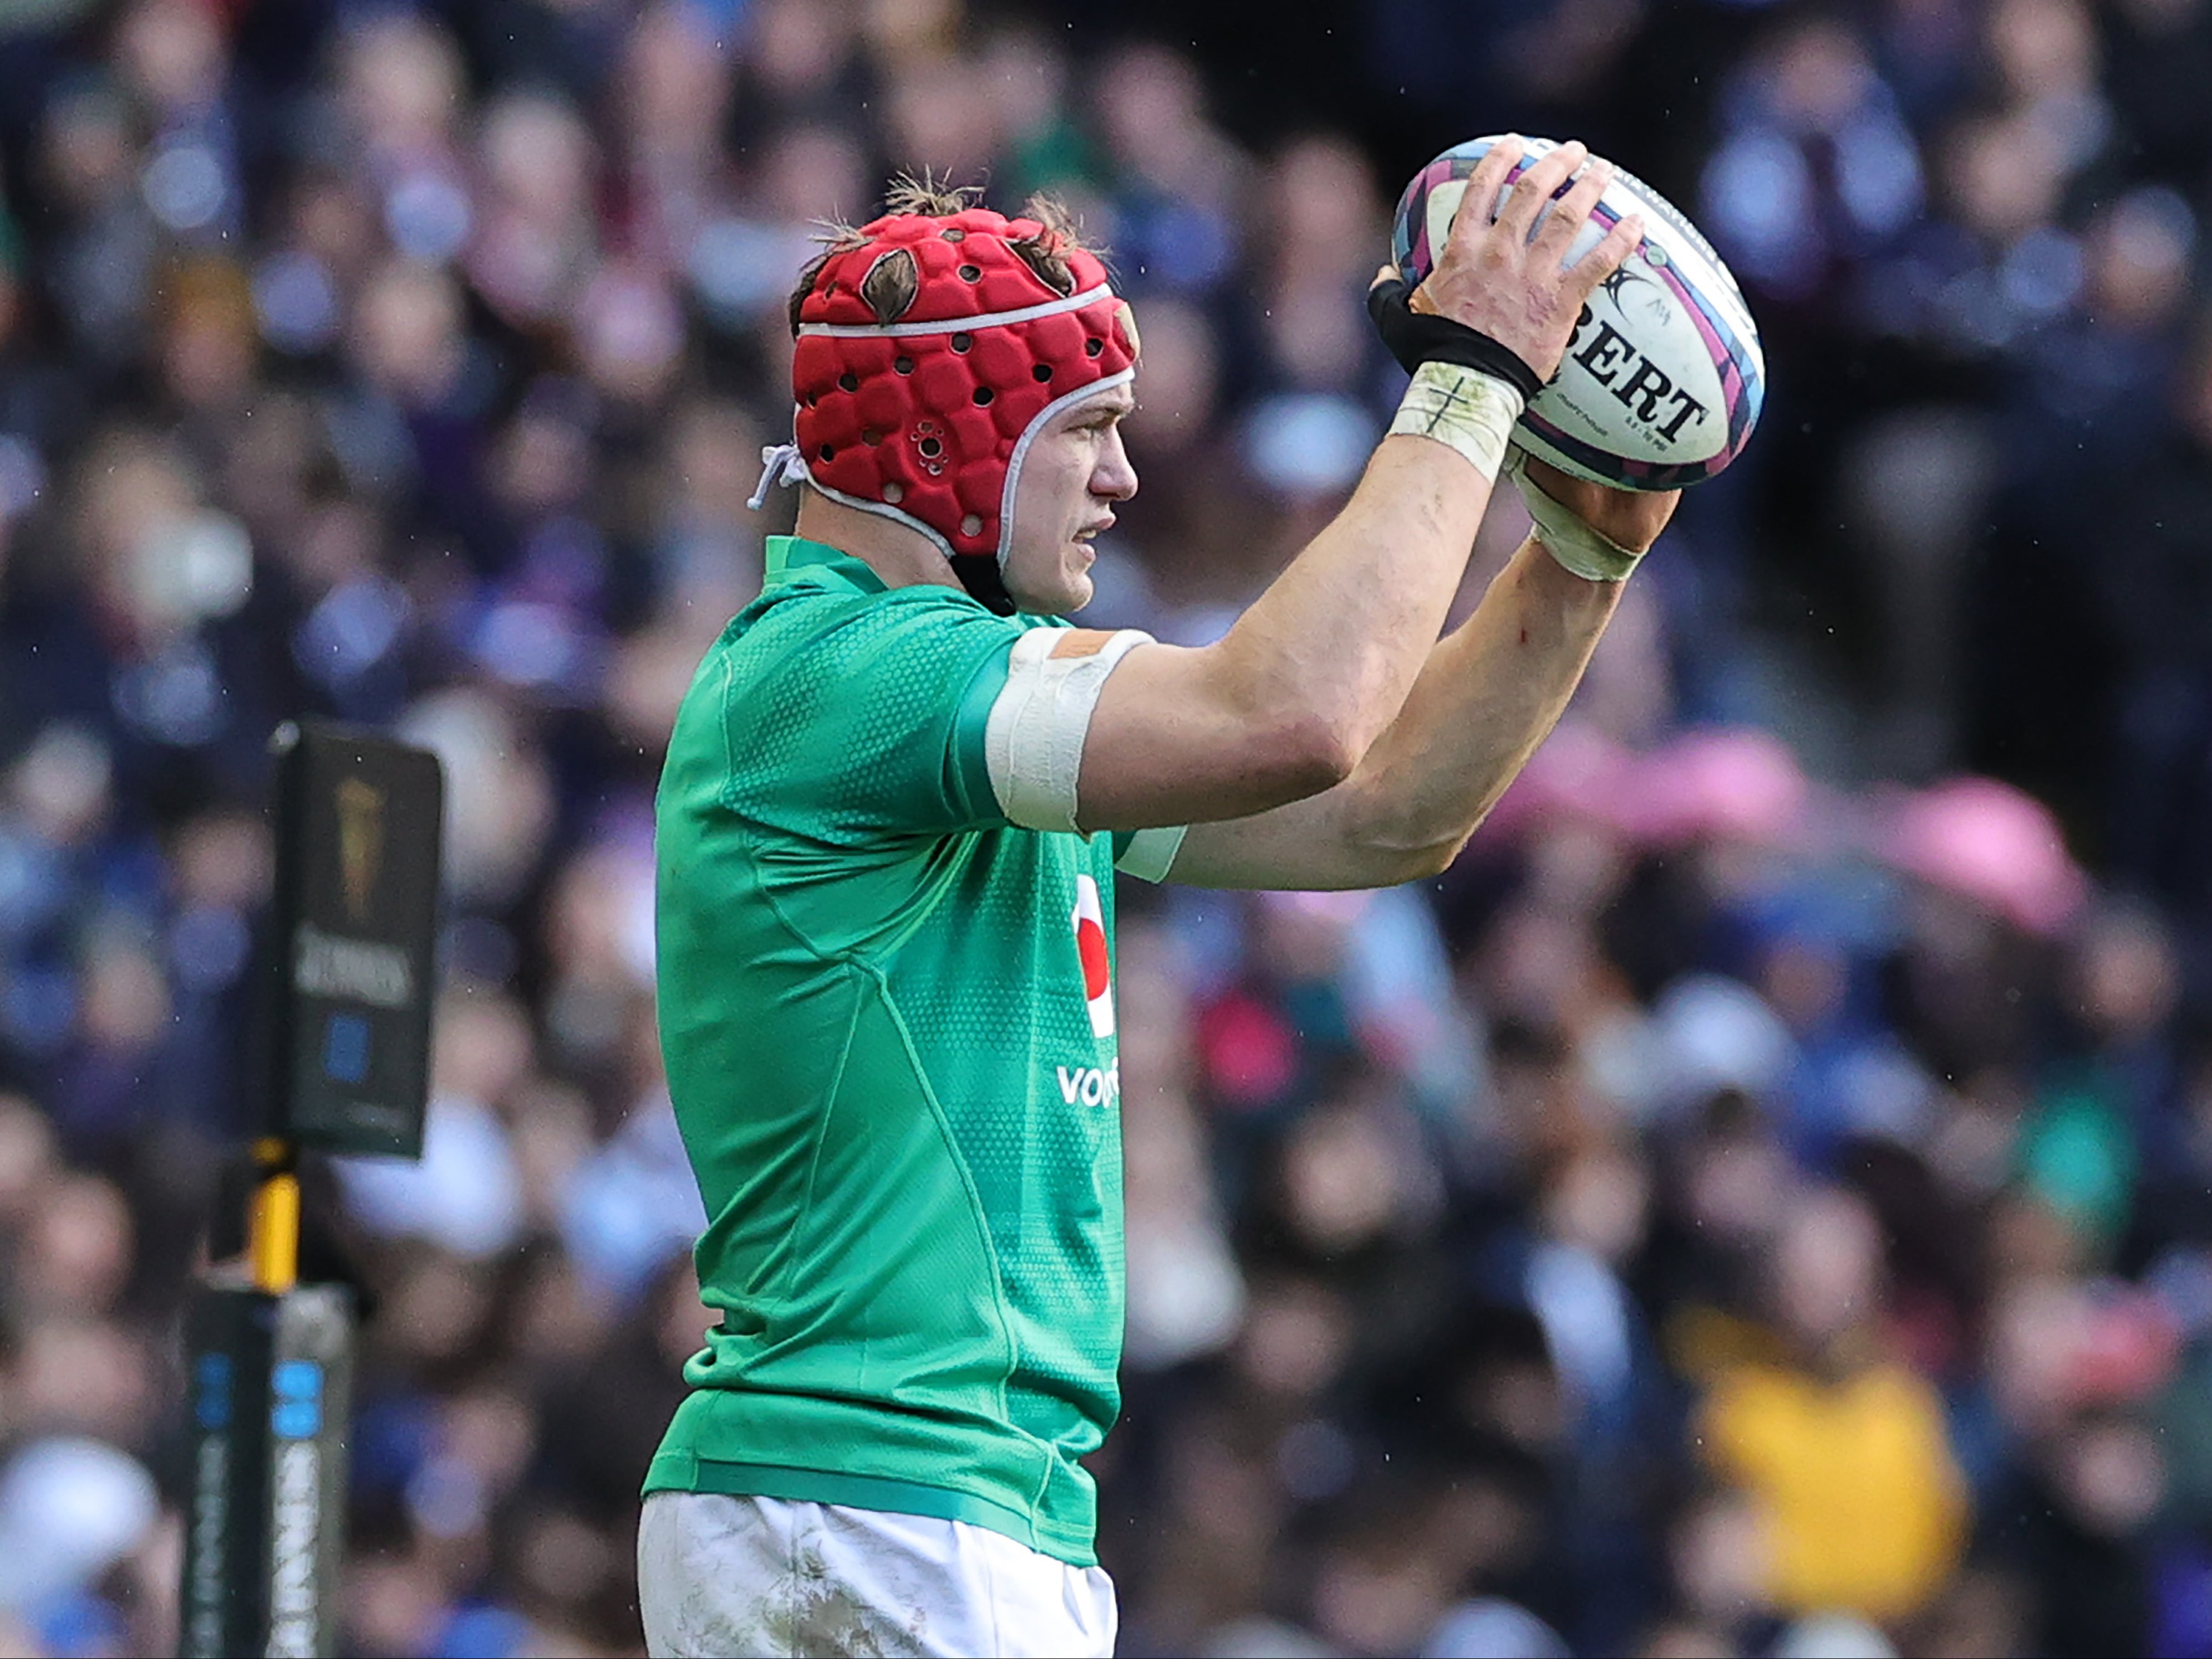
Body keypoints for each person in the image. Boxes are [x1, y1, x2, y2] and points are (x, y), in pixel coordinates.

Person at [639, 140, 1676, 1658]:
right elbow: (1300, 714)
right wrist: (1469, 381)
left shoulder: (951, 724)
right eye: (1092, 431)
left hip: (895, 1505)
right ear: (947, 448)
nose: (1125, 478)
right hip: (886, 1504)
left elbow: (1380, 815)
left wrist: (1579, 556)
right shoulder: (859, 673)